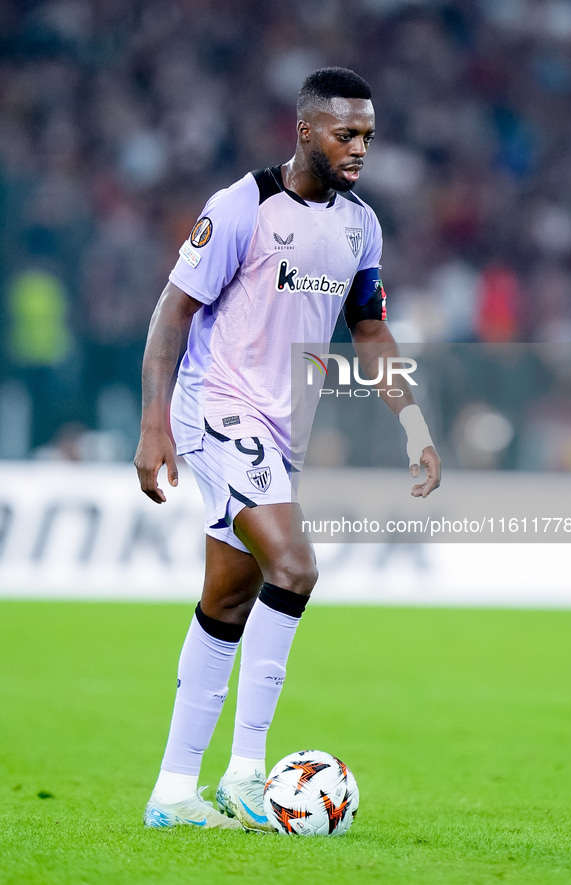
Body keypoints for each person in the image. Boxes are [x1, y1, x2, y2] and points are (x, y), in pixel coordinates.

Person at [134, 67, 441, 832]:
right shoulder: (243, 206)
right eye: (346, 133)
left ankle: (173, 791)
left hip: (279, 431)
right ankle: (245, 773)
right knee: (296, 566)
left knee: (226, 601)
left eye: (367, 134)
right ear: (305, 130)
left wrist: (413, 424)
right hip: (217, 411)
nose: (359, 147)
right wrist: (154, 423)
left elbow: (368, 330)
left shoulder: (359, 225)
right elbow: (172, 313)